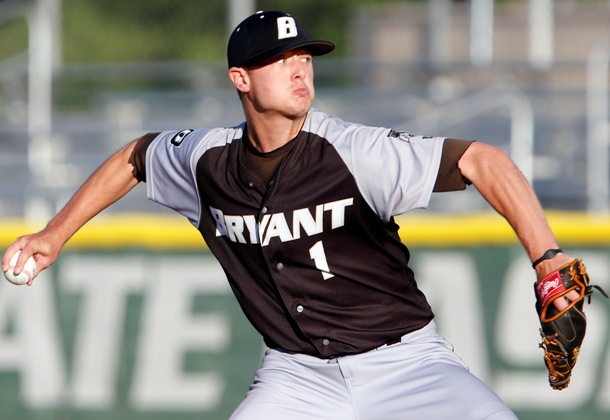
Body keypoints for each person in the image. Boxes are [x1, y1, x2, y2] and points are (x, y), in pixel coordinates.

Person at [3, 10, 581, 419]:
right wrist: (55, 234)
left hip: (408, 364)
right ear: (242, 79)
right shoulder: (208, 162)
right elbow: (134, 157)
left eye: (305, 57)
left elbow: (485, 160)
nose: (301, 68)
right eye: (281, 60)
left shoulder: (354, 152)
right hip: (296, 376)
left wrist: (548, 258)